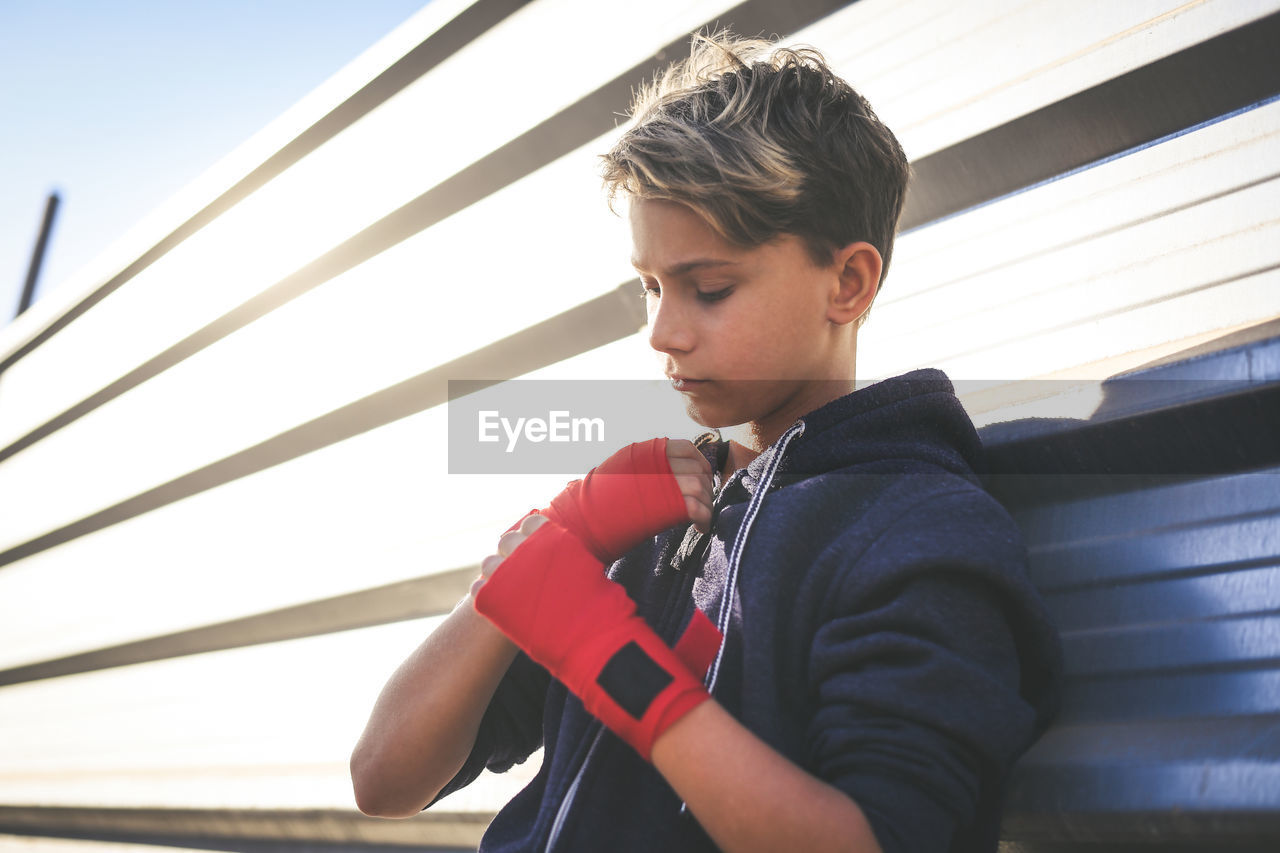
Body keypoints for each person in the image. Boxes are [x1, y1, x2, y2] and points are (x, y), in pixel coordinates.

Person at [350, 31, 1063, 853]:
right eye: (650, 287)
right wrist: (555, 539)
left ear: (849, 282)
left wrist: (611, 659)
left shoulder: (920, 530)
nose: (663, 332)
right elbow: (385, 777)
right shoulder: (655, 513)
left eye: (709, 287)